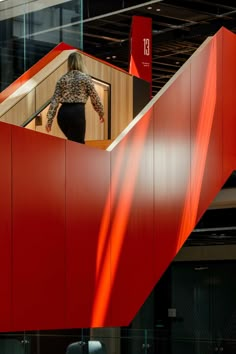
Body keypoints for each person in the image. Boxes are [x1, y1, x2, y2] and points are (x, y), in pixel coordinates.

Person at [45, 51, 104, 144]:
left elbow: (54, 101)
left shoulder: (62, 79)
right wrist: (101, 112)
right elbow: (95, 97)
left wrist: (49, 120)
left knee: (72, 143)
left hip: (63, 114)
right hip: (77, 113)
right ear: (81, 62)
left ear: (69, 63)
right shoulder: (85, 78)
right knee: (78, 144)